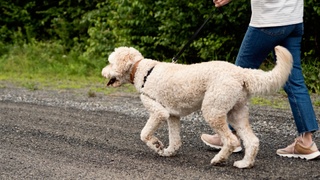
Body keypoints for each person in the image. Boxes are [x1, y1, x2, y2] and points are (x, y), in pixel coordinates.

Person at [201, 0, 320, 160]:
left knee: (236, 78)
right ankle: (306, 142)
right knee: (294, 81)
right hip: (293, 19)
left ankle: (229, 137)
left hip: (269, 20)